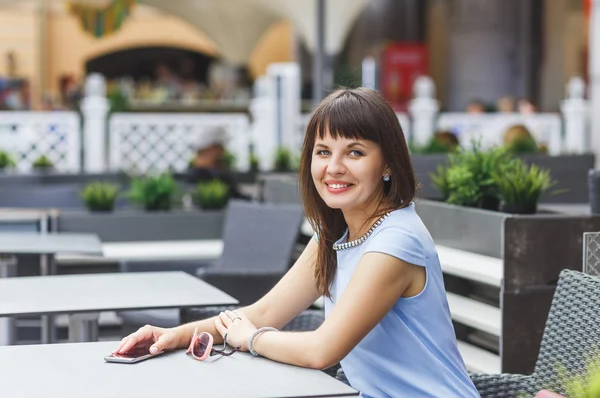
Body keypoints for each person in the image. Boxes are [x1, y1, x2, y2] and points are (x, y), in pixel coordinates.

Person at [114, 88, 480, 398]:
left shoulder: (395, 241)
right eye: (323, 152)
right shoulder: (334, 234)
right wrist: (173, 336)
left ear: (387, 164)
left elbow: (320, 350)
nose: (334, 167)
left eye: (354, 152)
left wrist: (251, 340)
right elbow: (263, 314)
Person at [187, 126, 249, 200]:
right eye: (220, 147)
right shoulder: (200, 174)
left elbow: (235, 195)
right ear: (211, 148)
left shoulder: (222, 173)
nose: (222, 151)